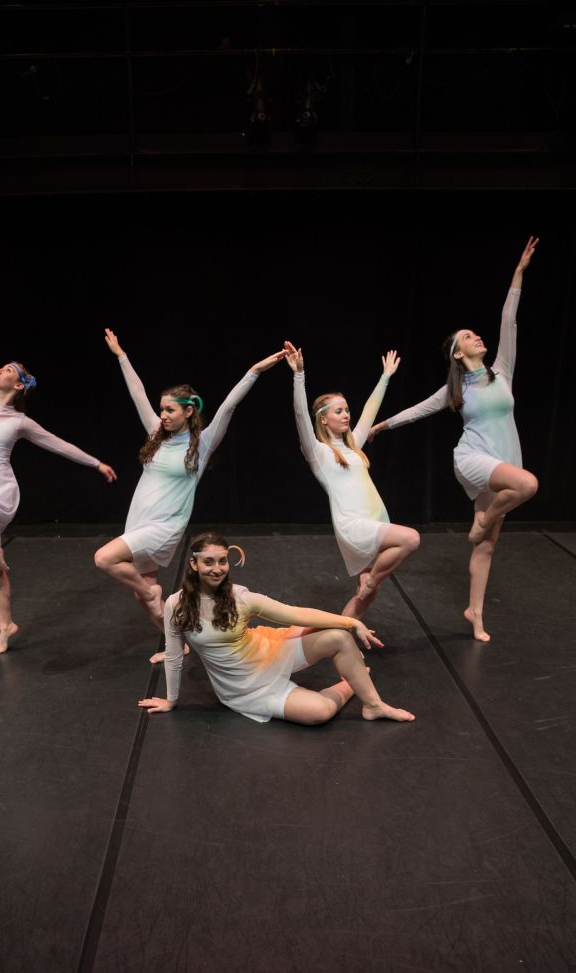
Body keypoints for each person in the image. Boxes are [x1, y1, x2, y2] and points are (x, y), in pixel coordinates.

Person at [0, 282, 117, 655]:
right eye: (1, 366)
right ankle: (6, 626)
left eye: (8, 369)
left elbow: (57, 443)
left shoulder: (19, 421)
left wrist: (95, 462)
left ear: (18, 385)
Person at [369, 237, 539, 642]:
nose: (476, 337)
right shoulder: (454, 389)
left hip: (505, 459)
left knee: (486, 547)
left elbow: (509, 320)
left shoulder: (502, 371)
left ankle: (475, 614)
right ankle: (482, 522)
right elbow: (417, 411)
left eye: (475, 333)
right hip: (474, 458)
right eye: (467, 336)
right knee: (527, 485)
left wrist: (518, 273)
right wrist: (380, 426)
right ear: (457, 354)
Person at [95, 330, 285, 658]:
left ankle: (151, 594)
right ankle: (177, 647)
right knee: (143, 596)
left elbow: (229, 405)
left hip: (164, 526)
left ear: (188, 412)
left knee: (105, 559)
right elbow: (137, 393)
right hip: (138, 520)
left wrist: (255, 370)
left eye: (170, 410)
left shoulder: (203, 444)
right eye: (161, 410)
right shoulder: (156, 435)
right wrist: (121, 355)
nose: (163, 415)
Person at [138, 532, 415, 725]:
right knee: (319, 712)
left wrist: (352, 622)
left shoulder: (241, 597)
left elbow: (295, 613)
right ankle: (350, 682)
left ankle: (373, 705)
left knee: (340, 637)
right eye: (208, 562)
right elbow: (174, 655)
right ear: (194, 564)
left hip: (269, 653)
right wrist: (171, 700)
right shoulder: (176, 605)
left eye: (222, 561)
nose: (217, 569)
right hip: (243, 691)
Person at [283, 340, 419, 619]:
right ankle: (370, 581)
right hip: (354, 525)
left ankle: (343, 633)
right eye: (338, 411)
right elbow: (300, 416)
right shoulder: (319, 452)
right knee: (410, 539)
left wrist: (385, 377)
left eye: (346, 410)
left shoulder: (354, 445)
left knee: (367, 595)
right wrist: (299, 375)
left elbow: (370, 411)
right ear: (323, 419)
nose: (346, 415)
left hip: (374, 518)